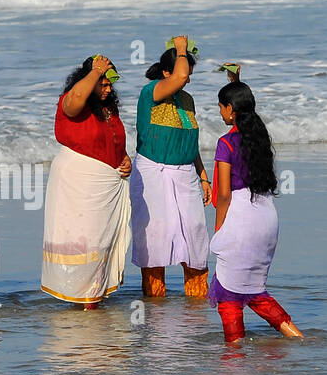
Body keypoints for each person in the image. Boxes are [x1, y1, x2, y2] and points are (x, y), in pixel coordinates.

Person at [209, 81, 303, 343]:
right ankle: (297, 338)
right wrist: (235, 80)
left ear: (231, 109)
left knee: (229, 295)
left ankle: (234, 356)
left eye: (221, 107)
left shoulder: (225, 143)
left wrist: (219, 228)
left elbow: (225, 194)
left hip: (240, 217)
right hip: (266, 216)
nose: (220, 113)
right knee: (253, 290)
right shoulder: (260, 138)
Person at [41, 55, 132, 308]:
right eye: (102, 84)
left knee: (101, 243)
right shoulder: (72, 101)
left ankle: (93, 299)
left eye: (109, 84)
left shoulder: (108, 109)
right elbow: (74, 103)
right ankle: (84, 301)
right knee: (86, 243)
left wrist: (125, 159)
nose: (108, 89)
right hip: (78, 184)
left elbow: (112, 142)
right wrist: (95, 72)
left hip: (104, 185)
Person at [130, 37, 212, 298]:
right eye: (181, 72)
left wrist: (203, 175)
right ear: (167, 73)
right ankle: (155, 307)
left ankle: (196, 305)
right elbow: (180, 76)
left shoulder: (187, 100)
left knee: (195, 238)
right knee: (155, 240)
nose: (186, 79)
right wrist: (180, 49)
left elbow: (189, 139)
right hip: (154, 172)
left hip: (185, 173)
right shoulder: (151, 92)